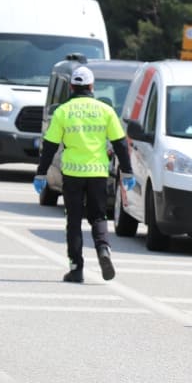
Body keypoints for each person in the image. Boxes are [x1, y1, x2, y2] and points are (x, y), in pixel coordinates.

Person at [34, 66, 135, 283]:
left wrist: (41, 174)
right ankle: (103, 251)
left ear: (71, 86)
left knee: (73, 221)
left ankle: (76, 268)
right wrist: (127, 171)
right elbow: (120, 144)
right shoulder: (105, 110)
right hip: (98, 173)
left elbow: (50, 146)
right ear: (91, 87)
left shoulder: (62, 111)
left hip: (72, 174)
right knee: (98, 216)